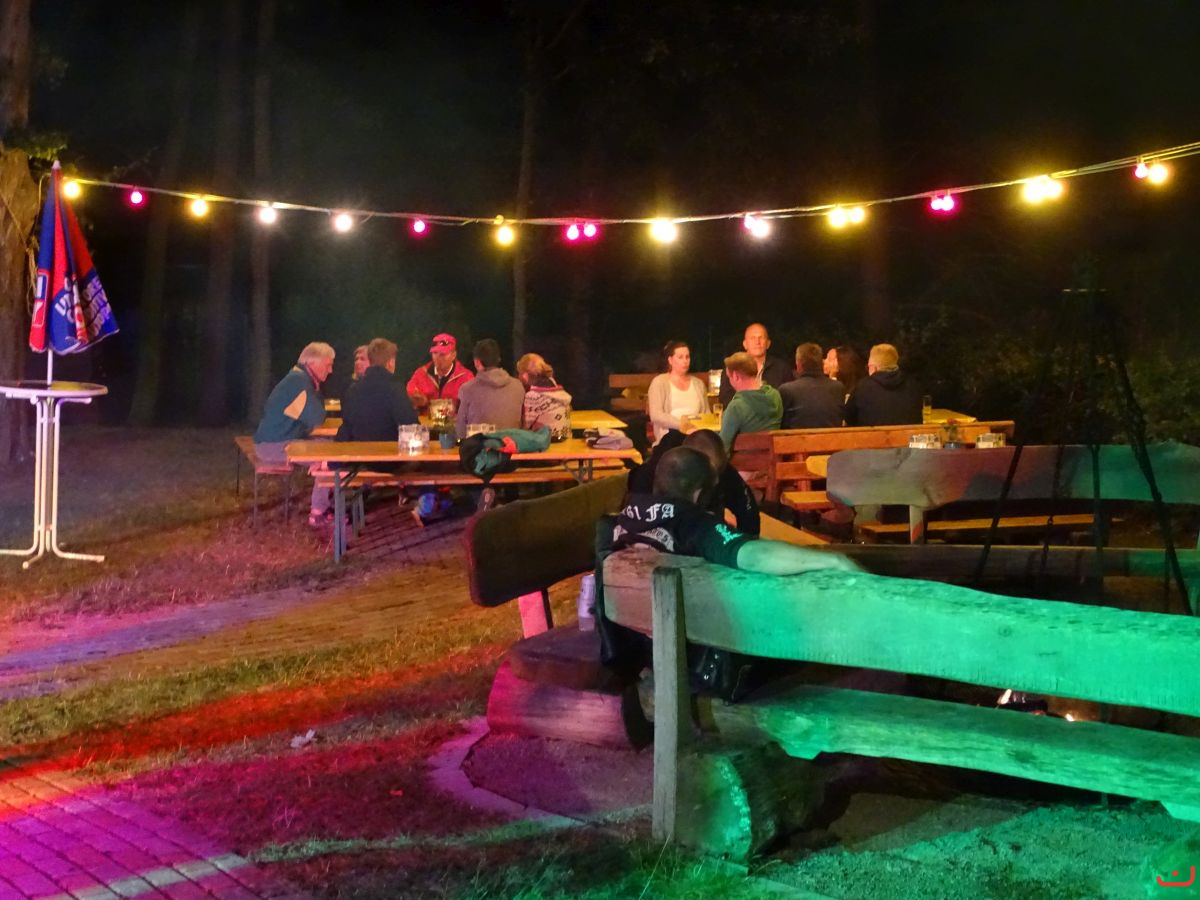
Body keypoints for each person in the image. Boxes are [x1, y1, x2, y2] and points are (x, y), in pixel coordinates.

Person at [253, 341, 334, 525]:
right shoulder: (299, 383)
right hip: (273, 446)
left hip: (272, 441)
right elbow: (318, 417)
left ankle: (322, 492)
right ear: (312, 363)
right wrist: (317, 391)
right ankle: (319, 512)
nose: (330, 370)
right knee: (330, 452)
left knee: (326, 445)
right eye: (328, 365)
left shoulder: (296, 378)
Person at [626, 428, 759, 535]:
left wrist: (747, 545)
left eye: (717, 475)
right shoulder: (651, 475)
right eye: (707, 477)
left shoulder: (724, 471)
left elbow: (748, 512)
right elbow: (637, 525)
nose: (714, 480)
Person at [336, 338, 417, 441]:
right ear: (391, 362)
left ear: (370, 361)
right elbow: (410, 426)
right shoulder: (396, 389)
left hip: (357, 448)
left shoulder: (353, 390)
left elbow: (347, 427)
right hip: (389, 449)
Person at [455, 338, 525, 435]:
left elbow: (460, 431)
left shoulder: (467, 389)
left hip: (480, 443)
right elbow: (522, 424)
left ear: (477, 362)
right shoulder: (518, 386)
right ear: (498, 359)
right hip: (511, 442)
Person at [844, 343, 923, 426]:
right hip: (909, 434)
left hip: (872, 434)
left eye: (869, 367)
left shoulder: (862, 387)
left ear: (873, 368)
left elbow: (848, 418)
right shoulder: (912, 385)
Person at [646, 340, 710, 444]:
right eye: (680, 357)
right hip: (670, 436)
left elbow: (706, 413)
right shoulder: (659, 382)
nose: (685, 361)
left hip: (695, 436)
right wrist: (682, 425)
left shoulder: (698, 384)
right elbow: (656, 415)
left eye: (687, 357)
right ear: (670, 360)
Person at [718, 351, 783, 449]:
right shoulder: (775, 396)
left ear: (735, 376)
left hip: (743, 458)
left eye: (729, 377)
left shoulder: (736, 407)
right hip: (774, 457)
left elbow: (722, 448)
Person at [717, 323, 791, 407]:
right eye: (753, 338)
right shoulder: (733, 367)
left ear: (768, 343)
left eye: (761, 338)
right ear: (745, 344)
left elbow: (788, 398)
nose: (757, 342)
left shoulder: (782, 368)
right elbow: (725, 399)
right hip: (742, 414)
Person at [780, 342, 844, 429]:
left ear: (798, 365)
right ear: (821, 363)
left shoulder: (787, 390)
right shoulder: (838, 388)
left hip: (798, 438)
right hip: (831, 438)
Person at [406, 332, 474, 413]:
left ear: (453, 355)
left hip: (455, 421)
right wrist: (417, 401)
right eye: (435, 353)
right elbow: (409, 395)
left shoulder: (466, 377)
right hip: (425, 420)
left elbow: (473, 407)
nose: (438, 358)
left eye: (443, 354)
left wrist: (456, 407)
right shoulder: (420, 373)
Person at [516, 352, 572, 441]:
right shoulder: (559, 392)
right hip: (566, 441)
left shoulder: (533, 396)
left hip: (547, 444)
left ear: (525, 376)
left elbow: (525, 427)